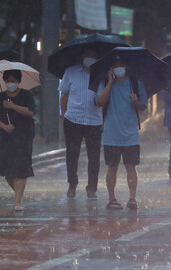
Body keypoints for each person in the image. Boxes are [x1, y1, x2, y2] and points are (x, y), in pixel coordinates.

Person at [95, 58, 147, 210]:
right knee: (112, 166)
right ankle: (112, 199)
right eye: (115, 65)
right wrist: (110, 83)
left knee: (131, 166)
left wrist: (136, 101)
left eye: (121, 65)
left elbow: (143, 106)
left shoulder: (136, 84)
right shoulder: (104, 83)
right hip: (111, 133)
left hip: (130, 134)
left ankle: (132, 198)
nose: (118, 68)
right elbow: (100, 101)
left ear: (127, 66)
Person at [58, 47, 103, 199]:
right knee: (72, 154)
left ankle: (92, 188)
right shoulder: (70, 72)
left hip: (94, 120)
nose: (89, 57)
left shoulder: (101, 74)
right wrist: (64, 115)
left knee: (94, 156)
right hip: (73, 119)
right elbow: (64, 94)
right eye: (87, 53)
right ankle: (72, 184)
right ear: (82, 55)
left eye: (92, 54)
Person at [0, 70, 36, 211]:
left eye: (14, 81)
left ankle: (17, 202)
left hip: (24, 136)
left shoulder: (26, 95)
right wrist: (4, 126)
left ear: (18, 81)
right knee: (8, 172)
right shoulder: (0, 97)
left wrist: (13, 106)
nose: (11, 83)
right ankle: (18, 193)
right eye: (8, 80)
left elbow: (30, 112)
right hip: (6, 138)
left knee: (21, 169)